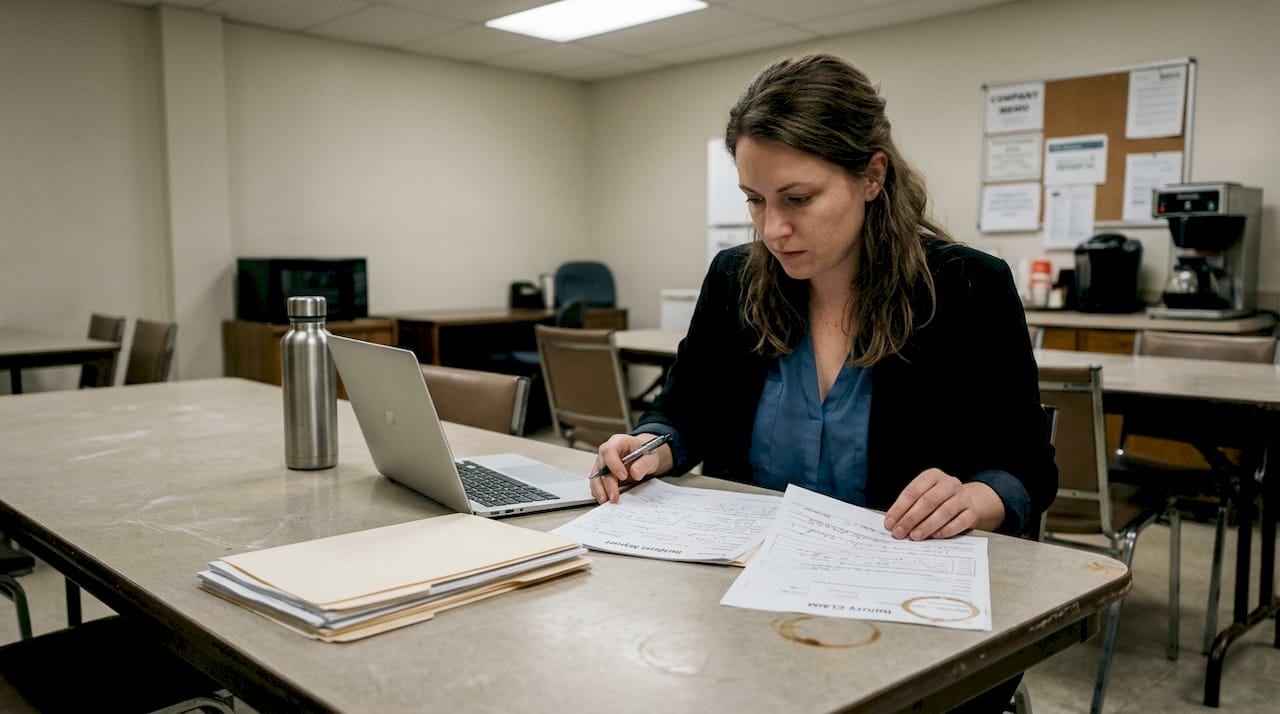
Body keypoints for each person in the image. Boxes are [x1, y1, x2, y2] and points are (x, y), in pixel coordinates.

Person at [590, 52, 1057, 712]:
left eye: (798, 200)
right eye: (755, 201)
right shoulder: (735, 279)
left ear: (871, 176)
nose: (772, 229)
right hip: (742, 601)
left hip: (902, 615)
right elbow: (685, 415)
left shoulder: (966, 287)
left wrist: (977, 498)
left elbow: (1028, 464)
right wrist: (651, 446)